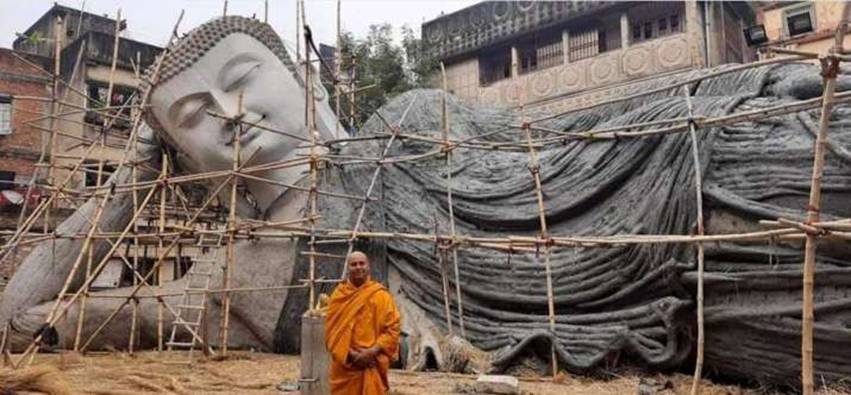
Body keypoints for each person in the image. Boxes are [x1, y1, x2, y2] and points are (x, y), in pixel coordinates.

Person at [324, 251, 401, 394]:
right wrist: (353, 355)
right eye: (354, 264)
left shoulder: (381, 296)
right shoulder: (338, 296)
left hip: (373, 363)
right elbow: (331, 334)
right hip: (346, 366)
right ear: (348, 269)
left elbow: (393, 329)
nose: (358, 267)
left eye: (361, 263)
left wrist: (372, 352)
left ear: (368, 266)